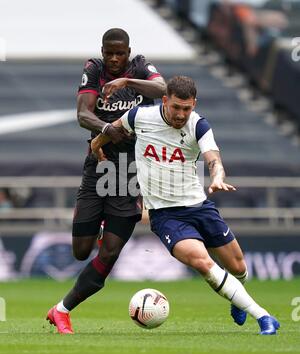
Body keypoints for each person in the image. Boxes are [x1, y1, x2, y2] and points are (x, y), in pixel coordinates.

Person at [92, 75, 280, 335]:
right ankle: (264, 317)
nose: (181, 114)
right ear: (165, 100)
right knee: (202, 263)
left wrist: (217, 178)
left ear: (194, 104)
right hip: (166, 215)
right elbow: (113, 129)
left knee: (238, 268)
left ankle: (238, 298)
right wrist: (96, 144)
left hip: (199, 207)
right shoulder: (140, 117)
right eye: (176, 107)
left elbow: (213, 158)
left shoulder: (198, 125)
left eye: (187, 108)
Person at [46, 28, 166, 334]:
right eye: (109, 52)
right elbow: (83, 114)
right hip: (98, 166)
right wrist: (107, 129)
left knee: (109, 253)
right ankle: (100, 225)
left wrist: (126, 80)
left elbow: (162, 88)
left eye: (119, 53)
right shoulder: (94, 70)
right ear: (102, 51)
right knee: (81, 252)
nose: (114, 59)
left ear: (128, 51)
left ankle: (62, 311)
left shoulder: (140, 67)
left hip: (130, 172)